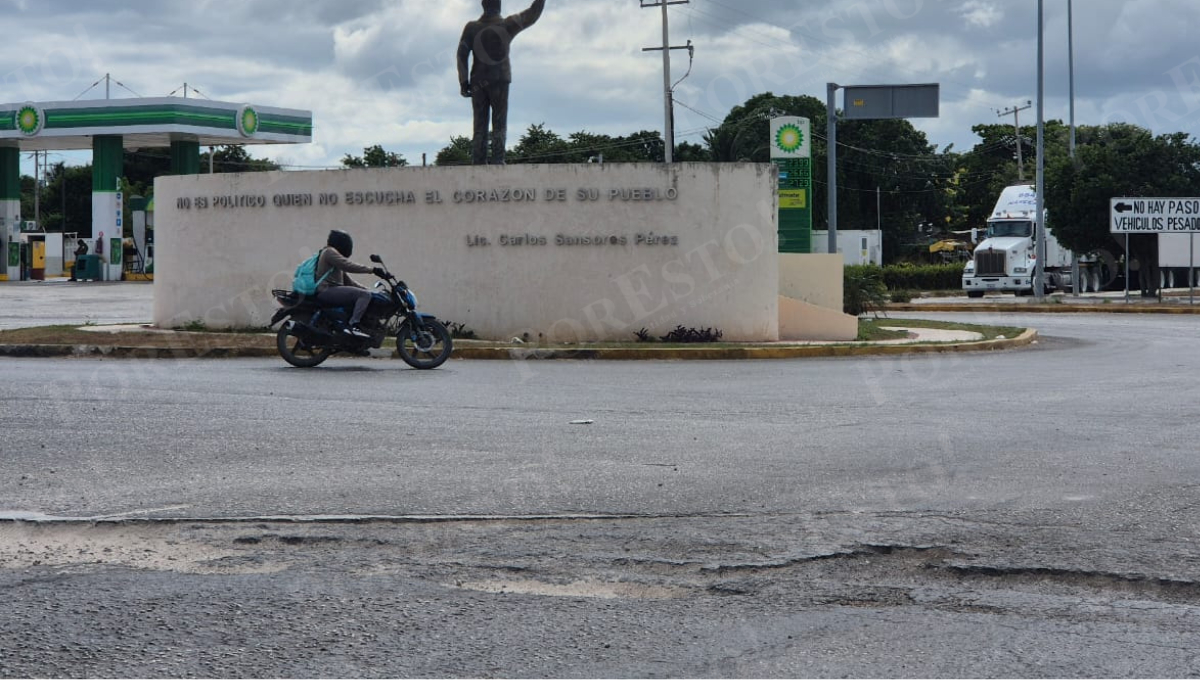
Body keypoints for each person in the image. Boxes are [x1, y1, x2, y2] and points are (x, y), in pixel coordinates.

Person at [457, 0, 547, 165]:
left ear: (483, 5)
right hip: (499, 80)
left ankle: (478, 160)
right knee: (499, 122)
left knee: (479, 124)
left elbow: (462, 54)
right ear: (499, 6)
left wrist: (464, 81)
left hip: (478, 81)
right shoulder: (507, 24)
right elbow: (533, 14)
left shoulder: (471, 27)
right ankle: (498, 159)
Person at [315, 230, 387, 338]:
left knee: (365, 294)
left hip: (331, 290)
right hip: (326, 290)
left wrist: (369, 290)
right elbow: (348, 265)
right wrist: (372, 270)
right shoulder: (330, 252)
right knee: (364, 295)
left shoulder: (332, 256)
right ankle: (353, 325)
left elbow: (349, 282)